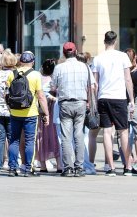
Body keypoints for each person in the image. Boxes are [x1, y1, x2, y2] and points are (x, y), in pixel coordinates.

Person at [91, 30, 134, 176]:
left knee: (107, 132)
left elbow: (95, 83)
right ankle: (127, 166)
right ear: (115, 41)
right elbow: (128, 79)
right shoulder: (122, 56)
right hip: (119, 97)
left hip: (103, 97)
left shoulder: (98, 58)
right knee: (123, 132)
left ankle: (110, 167)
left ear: (104, 41)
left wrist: (94, 101)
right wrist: (132, 100)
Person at [51, 41, 92, 177]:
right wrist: (89, 102)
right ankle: (79, 168)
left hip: (65, 103)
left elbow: (53, 86)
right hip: (81, 102)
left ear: (64, 53)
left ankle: (68, 168)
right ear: (75, 51)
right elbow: (92, 85)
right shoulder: (85, 67)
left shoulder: (59, 68)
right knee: (79, 135)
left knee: (66, 136)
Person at [6, 51, 50, 177]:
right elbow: (41, 96)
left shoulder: (12, 73)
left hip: (14, 112)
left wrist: (10, 108)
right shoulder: (36, 75)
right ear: (33, 62)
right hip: (30, 113)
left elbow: (7, 94)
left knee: (14, 140)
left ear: (20, 61)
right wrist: (46, 113)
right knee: (30, 141)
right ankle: (27, 169)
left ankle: (12, 168)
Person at [35, 58, 61, 172]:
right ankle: (59, 164)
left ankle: (43, 164)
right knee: (54, 137)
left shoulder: (38, 79)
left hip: (40, 112)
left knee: (40, 137)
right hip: (52, 112)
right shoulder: (53, 80)